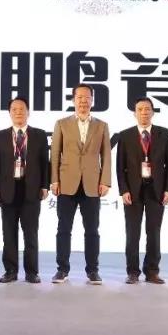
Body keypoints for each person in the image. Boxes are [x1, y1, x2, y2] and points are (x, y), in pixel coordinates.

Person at [50, 84, 111, 285]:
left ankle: (93, 270)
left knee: (92, 230)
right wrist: (54, 180)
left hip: (92, 184)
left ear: (92, 100)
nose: (83, 101)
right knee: (63, 229)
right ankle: (62, 269)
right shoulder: (61, 124)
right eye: (79, 97)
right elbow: (55, 154)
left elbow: (106, 156)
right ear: (73, 100)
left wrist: (105, 181)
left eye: (87, 97)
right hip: (66, 183)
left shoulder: (101, 125)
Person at [0, 97, 49, 284]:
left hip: (31, 190)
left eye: (22, 109)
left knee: (31, 234)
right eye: (14, 109)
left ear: (28, 112)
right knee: (9, 234)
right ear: (9, 113)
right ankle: (10, 271)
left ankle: (32, 272)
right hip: (7, 191)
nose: (18, 112)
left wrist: (45, 185)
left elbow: (45, 164)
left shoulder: (39, 135)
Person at [115, 97, 168, 284]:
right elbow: (120, 167)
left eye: (147, 109)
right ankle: (132, 272)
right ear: (134, 113)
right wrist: (123, 190)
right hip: (132, 192)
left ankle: (152, 272)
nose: (144, 112)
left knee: (154, 232)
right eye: (140, 109)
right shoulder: (125, 135)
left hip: (157, 190)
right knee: (132, 233)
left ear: (153, 112)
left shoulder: (164, 134)